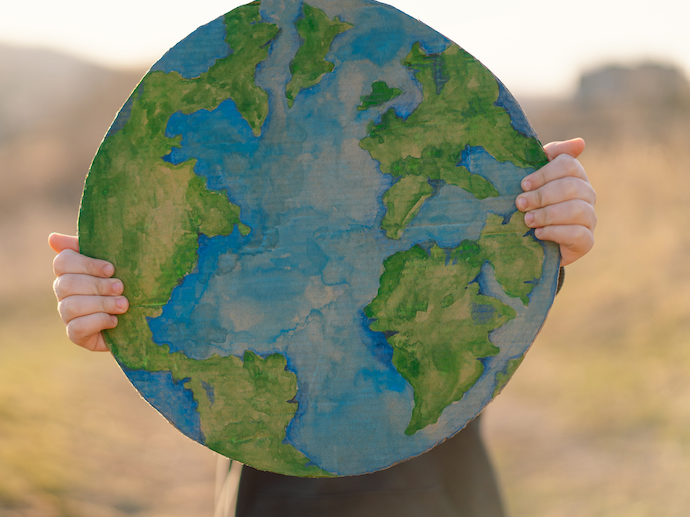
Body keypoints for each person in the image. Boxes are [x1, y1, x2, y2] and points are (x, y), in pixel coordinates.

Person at [49, 138, 596, 516]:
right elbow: (188, 290)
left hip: (434, 495)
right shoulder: (242, 206)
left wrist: (543, 231)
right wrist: (118, 309)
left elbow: (480, 276)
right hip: (274, 499)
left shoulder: (428, 174)